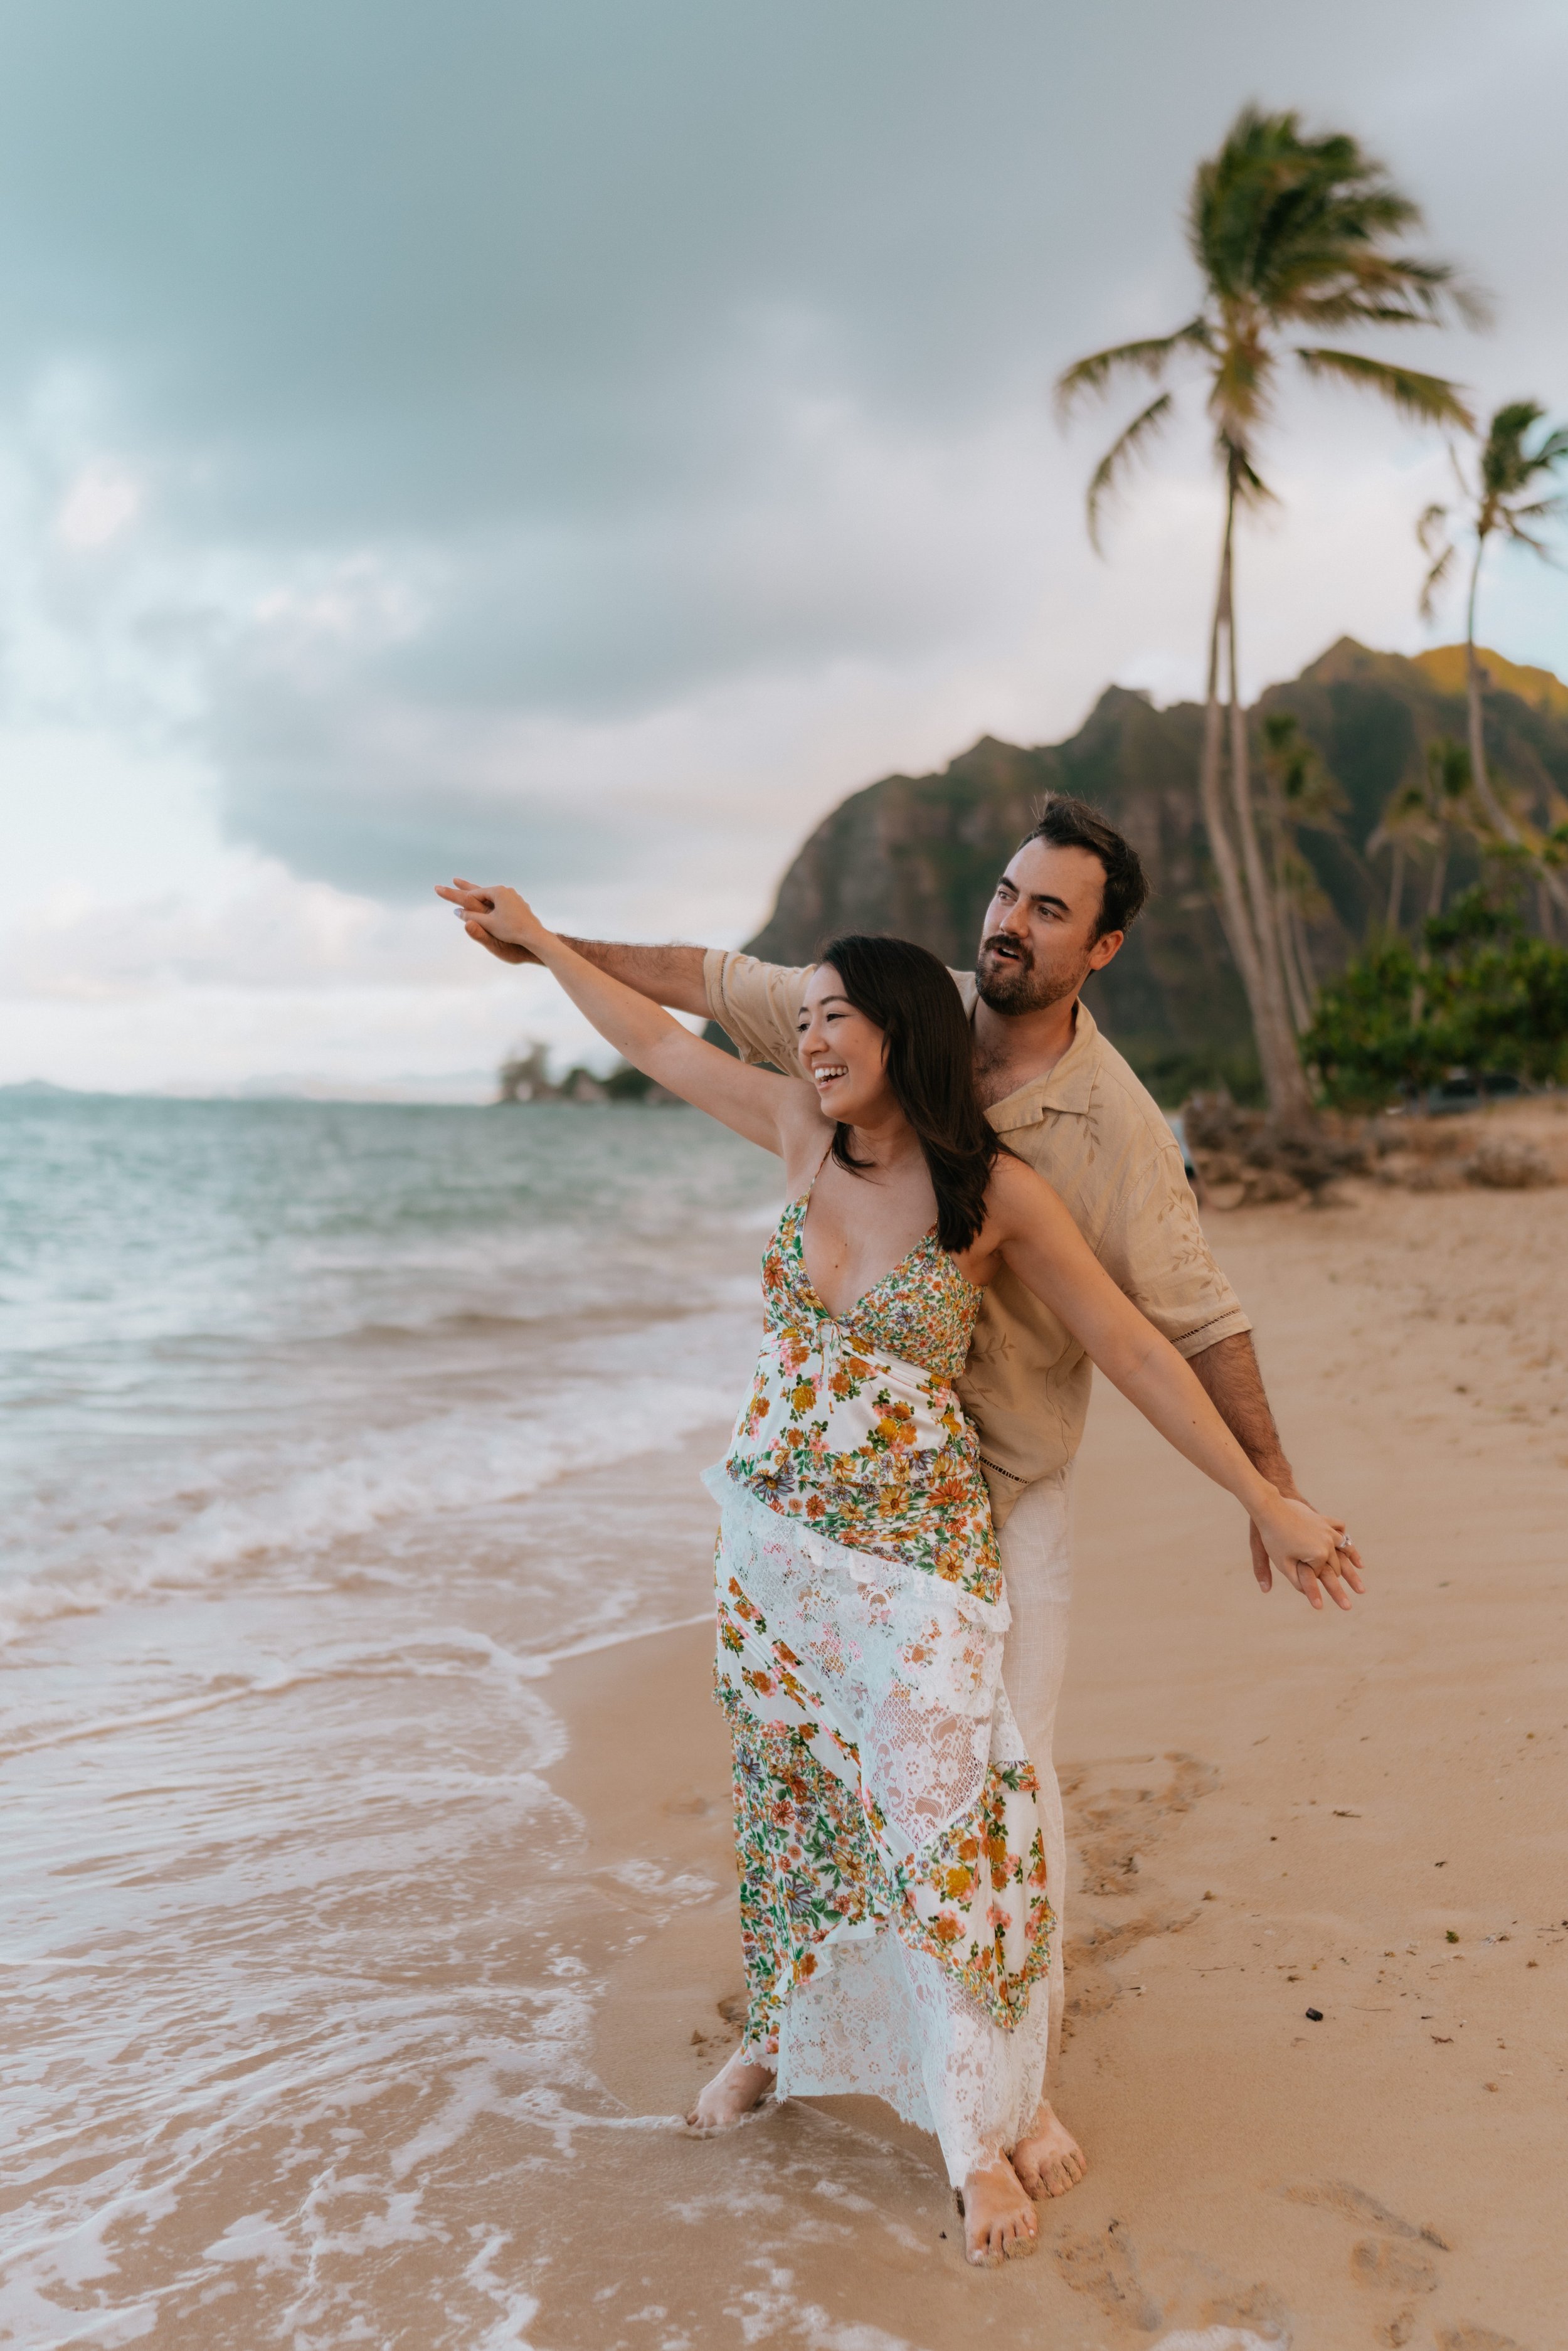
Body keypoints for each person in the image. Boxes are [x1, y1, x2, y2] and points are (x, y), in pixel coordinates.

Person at [447, 796, 1366, 2207]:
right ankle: (781, 2035)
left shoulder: (1035, 1169)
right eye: (1004, 894)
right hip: (775, 1544)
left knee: (970, 1800)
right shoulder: (803, 1123)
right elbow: (672, 1014)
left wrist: (1270, 1494)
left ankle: (994, 2099)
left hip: (952, 1522)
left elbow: (1147, 1335)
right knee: (795, 1797)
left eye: (1046, 907)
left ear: (1095, 944)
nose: (806, 1040)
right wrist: (540, 937)